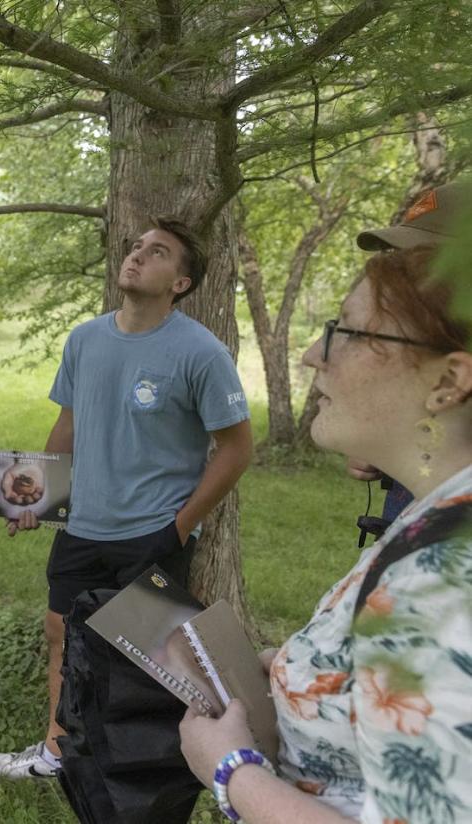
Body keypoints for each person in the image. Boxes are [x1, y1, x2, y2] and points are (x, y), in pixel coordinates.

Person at [180, 238, 472, 822]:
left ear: (448, 382)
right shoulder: (439, 515)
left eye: (349, 332)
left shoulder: (440, 580)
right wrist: (313, 673)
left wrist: (232, 771)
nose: (314, 354)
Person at [0, 216, 254, 780]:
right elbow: (69, 424)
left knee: (149, 657)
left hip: (153, 532)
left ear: (180, 283)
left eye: (156, 253)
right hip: (82, 525)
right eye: (136, 247)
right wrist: (35, 496)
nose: (136, 256)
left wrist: (178, 529)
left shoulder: (200, 353)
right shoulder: (86, 339)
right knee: (61, 633)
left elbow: (235, 449)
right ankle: (58, 753)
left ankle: (146, 765)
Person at [345, 182, 466, 530]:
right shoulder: (431, 335)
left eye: (418, 256)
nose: (400, 270)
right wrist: (379, 447)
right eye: (398, 255)